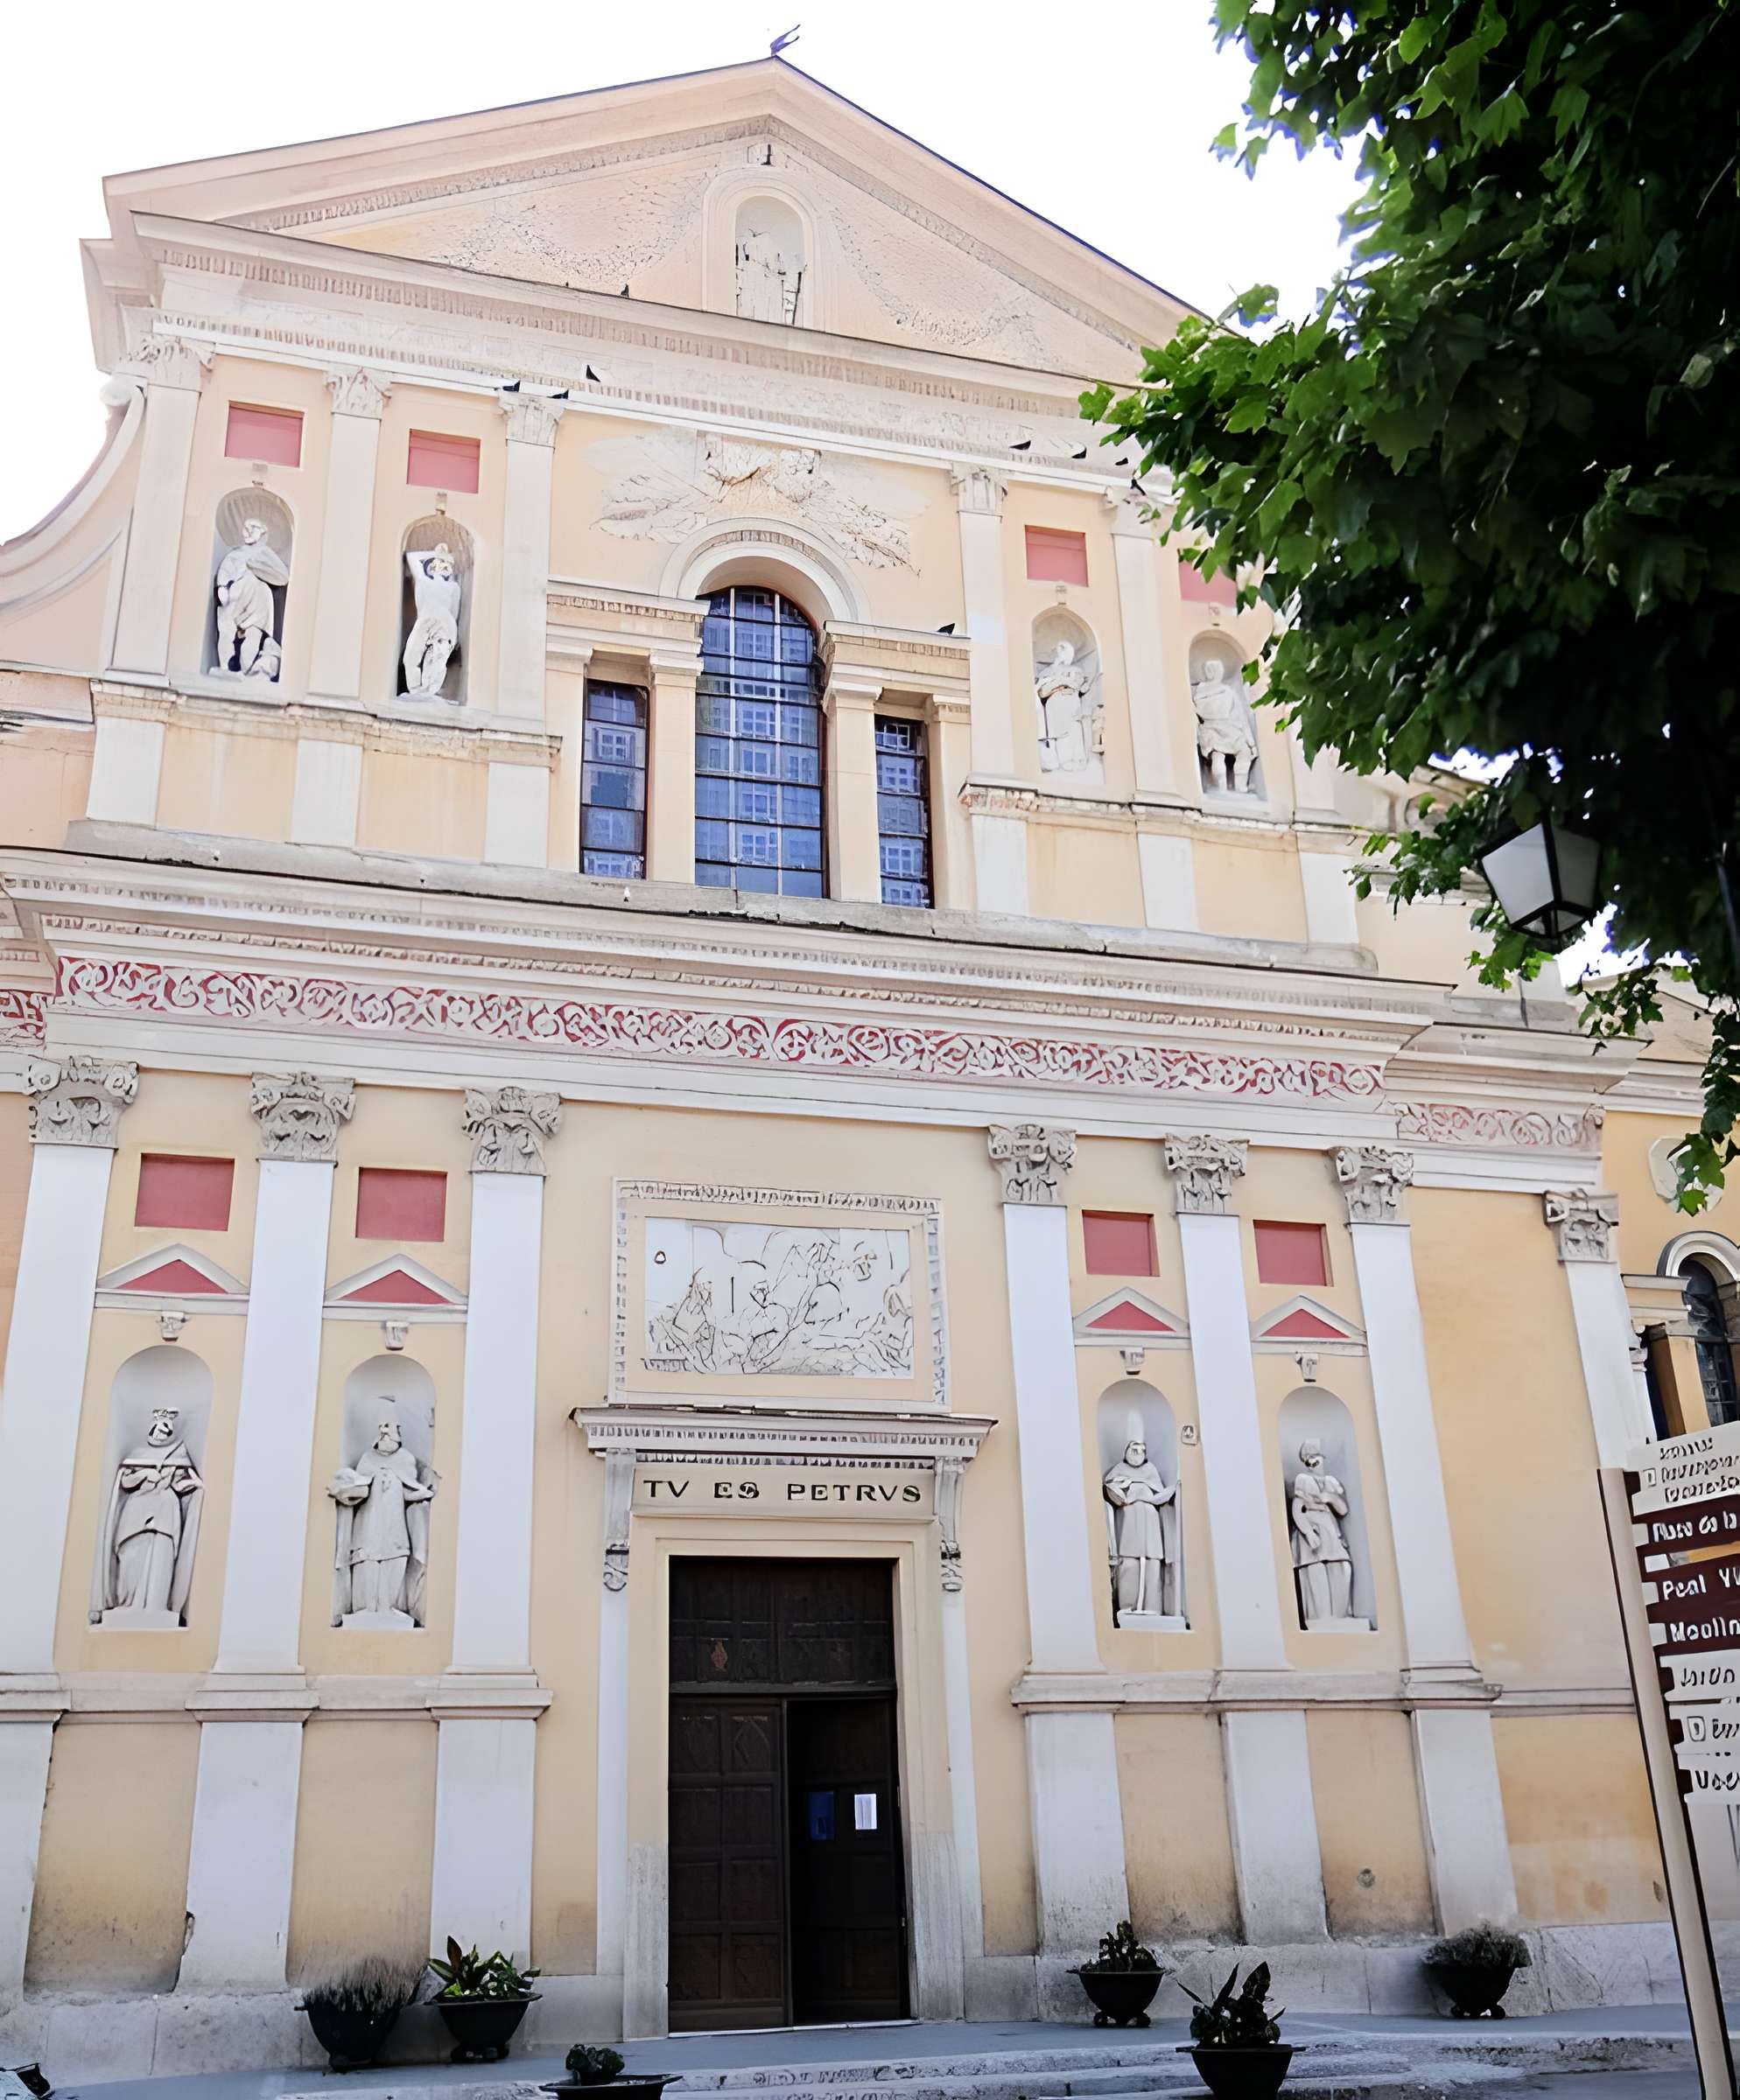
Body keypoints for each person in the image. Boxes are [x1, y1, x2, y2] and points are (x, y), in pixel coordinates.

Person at [90, 1407, 204, 1624]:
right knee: (132, 1557)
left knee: (161, 1556)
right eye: (160, 1429)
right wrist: (144, 1473)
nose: (162, 1434)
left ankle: (156, 1606)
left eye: (167, 1431)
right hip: (137, 1512)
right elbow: (125, 1482)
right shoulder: (137, 1454)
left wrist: (195, 1485)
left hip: (166, 1514)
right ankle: (128, 1603)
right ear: (152, 1428)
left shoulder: (179, 1455)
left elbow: (181, 1484)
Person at [327, 1415, 437, 1624]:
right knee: (368, 1560)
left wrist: (424, 1494)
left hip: (394, 1525)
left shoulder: (406, 1459)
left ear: (398, 1433)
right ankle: (367, 1607)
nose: (385, 1432)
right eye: (382, 1429)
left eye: (389, 1428)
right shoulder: (367, 1459)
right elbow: (360, 1489)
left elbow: (408, 1490)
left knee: (395, 1559)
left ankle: (388, 1607)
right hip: (369, 1524)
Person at [1102, 1434, 1180, 1620]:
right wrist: (1128, 1487)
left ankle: (1152, 1607)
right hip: (1129, 1525)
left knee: (1153, 1565)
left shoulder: (1151, 1470)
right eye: (1134, 1450)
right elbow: (1113, 1493)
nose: (1138, 1454)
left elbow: (1160, 1495)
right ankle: (1128, 1606)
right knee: (1129, 1565)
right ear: (1126, 1451)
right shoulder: (1118, 1471)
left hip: (1150, 1525)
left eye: (1141, 1450)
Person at [1289, 1438, 1354, 1624]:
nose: (1314, 1460)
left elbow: (1343, 1510)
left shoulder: (1331, 1482)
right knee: (1315, 1570)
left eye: (1316, 1455)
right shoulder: (1304, 1480)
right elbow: (1297, 1507)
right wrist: (1308, 1532)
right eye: (1309, 1456)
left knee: (1342, 1567)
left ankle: (1341, 1617)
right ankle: (1321, 1618)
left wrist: (1329, 1498)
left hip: (1331, 1532)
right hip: (1312, 1533)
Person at [214, 520, 289, 676]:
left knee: (254, 633)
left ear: (262, 532)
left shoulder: (265, 553)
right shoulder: (236, 554)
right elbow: (225, 571)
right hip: (237, 593)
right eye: (245, 527)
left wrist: (256, 566)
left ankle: (247, 672)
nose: (247, 531)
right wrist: (222, 588)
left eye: (252, 528)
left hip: (258, 597)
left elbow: (282, 576)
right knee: (226, 629)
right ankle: (224, 668)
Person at [1191, 654, 1258, 793]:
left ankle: (1220, 789)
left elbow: (1196, 713)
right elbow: (1241, 718)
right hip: (1230, 730)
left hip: (1210, 731)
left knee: (1217, 754)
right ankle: (1240, 788)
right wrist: (1251, 744)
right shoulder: (1228, 692)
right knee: (1244, 753)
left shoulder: (1199, 692)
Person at [403, 544, 462, 696]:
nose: (440, 566)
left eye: (444, 565)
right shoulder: (424, 582)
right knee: (410, 657)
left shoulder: (453, 587)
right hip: (426, 620)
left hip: (443, 622)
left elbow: (453, 613)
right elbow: (412, 557)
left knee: (436, 661)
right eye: (436, 564)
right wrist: (437, 554)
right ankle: (416, 691)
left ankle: (429, 693)